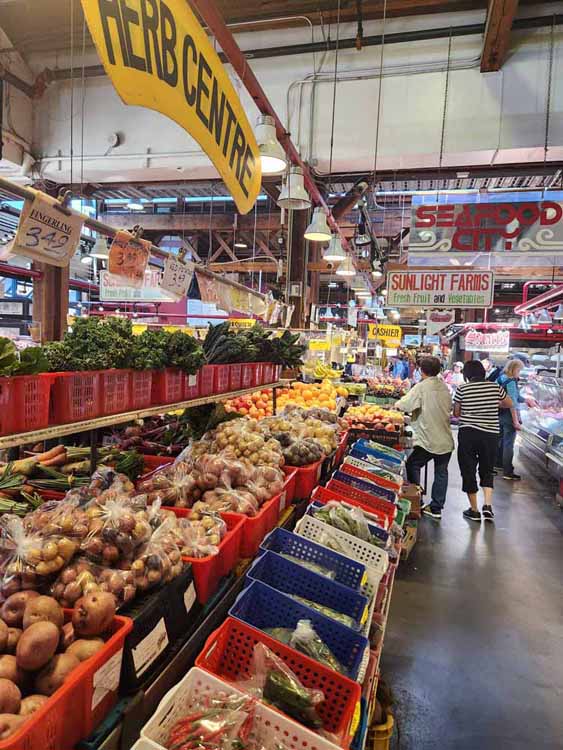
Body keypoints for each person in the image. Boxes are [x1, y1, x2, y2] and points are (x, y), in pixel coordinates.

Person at [453, 360, 513, 523]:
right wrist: (495, 404)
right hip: (490, 435)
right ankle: (487, 505)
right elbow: (509, 403)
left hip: (468, 434)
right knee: (487, 468)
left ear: (466, 374)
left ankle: (474, 510)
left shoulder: (462, 388)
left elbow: (457, 413)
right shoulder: (494, 387)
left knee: (468, 469)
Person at [395, 356, 454, 521]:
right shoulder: (444, 387)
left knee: (413, 463)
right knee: (441, 472)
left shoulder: (421, 387)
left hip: (428, 439)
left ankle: (417, 499)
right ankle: (436, 507)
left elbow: (405, 405)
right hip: (445, 439)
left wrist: (396, 405)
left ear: (422, 371)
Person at [496, 359, 524, 480]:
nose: (520, 372)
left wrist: (526, 400)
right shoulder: (511, 381)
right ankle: (507, 471)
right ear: (514, 369)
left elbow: (515, 397)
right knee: (508, 444)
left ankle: (497, 464)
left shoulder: (501, 378)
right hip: (508, 415)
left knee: (500, 440)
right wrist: (516, 421)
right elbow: (512, 403)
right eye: (519, 370)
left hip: (499, 413)